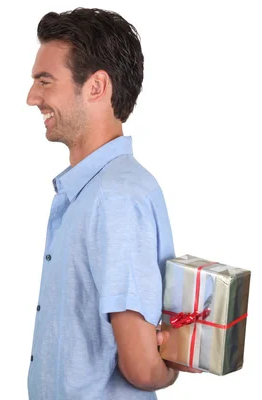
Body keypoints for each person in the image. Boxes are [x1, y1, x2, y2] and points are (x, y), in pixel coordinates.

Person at [25, 8, 200, 399]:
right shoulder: (94, 192)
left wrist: (173, 366)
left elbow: (140, 368)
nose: (32, 97)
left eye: (45, 81)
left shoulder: (114, 197)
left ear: (96, 86)